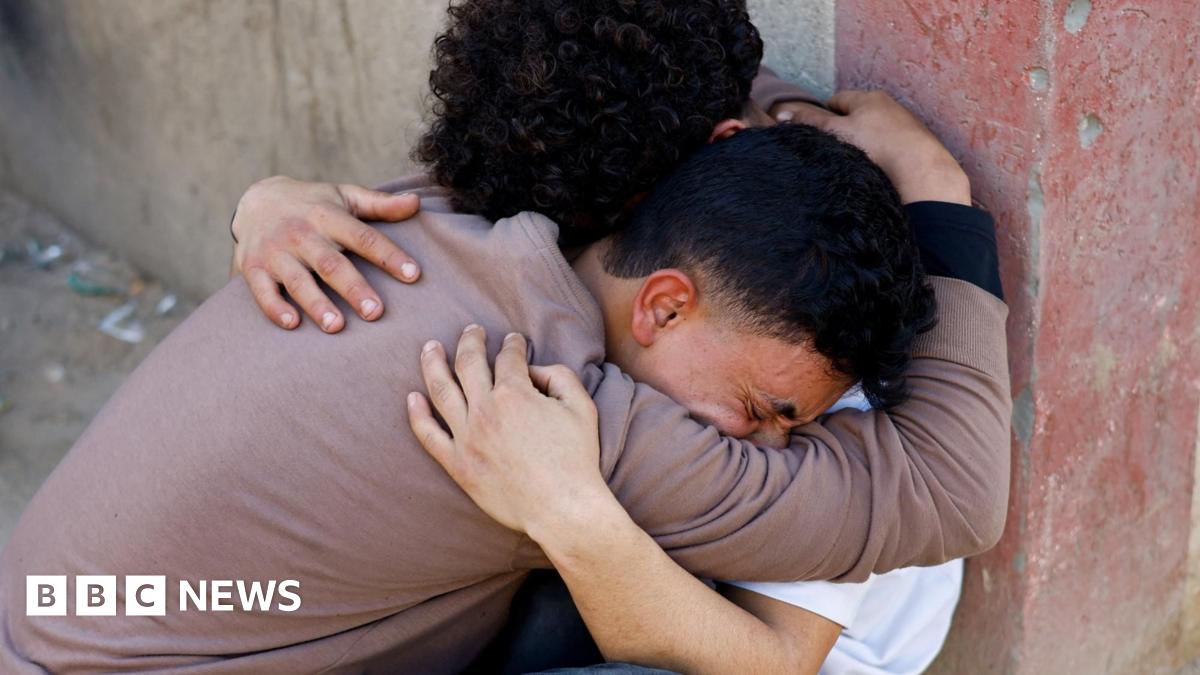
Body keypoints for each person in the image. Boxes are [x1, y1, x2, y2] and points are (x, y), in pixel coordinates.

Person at [0, 3, 1009, 673]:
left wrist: (263, 199)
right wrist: (943, 197)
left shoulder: (414, 219)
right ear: (662, 298)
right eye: (768, 410)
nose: (771, 438)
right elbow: (958, 492)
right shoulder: (539, 399)